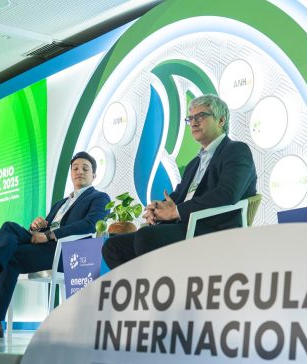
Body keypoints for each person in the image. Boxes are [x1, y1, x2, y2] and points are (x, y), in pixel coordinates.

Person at [0, 151, 111, 338]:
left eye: (85, 169)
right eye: (75, 168)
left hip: (66, 251)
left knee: (11, 258)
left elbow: (90, 224)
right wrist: (37, 227)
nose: (79, 172)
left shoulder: (99, 197)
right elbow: (46, 227)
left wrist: (50, 235)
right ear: (71, 174)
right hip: (44, 244)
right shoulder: (60, 203)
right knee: (9, 227)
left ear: (94, 175)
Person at [102, 94, 257, 269]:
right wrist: (157, 210)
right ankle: (141, 286)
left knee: (146, 236)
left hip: (215, 229)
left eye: (200, 116)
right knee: (113, 247)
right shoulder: (194, 163)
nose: (194, 123)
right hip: (185, 227)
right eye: (190, 119)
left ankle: (157, 285)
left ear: (221, 120)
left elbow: (228, 193)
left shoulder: (236, 150)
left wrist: (176, 211)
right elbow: (178, 196)